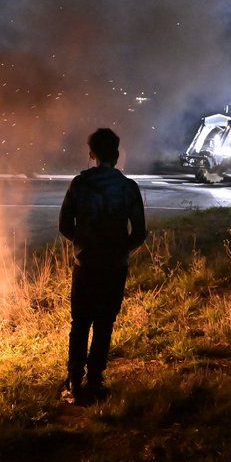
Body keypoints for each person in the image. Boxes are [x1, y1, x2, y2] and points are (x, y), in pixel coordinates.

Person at [58, 128, 147, 404]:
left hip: (85, 266)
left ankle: (74, 382)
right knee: (105, 323)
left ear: (92, 154)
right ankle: (95, 381)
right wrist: (121, 249)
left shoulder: (79, 184)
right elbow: (140, 231)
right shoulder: (128, 188)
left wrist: (83, 244)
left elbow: (64, 225)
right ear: (117, 155)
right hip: (114, 266)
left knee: (80, 322)